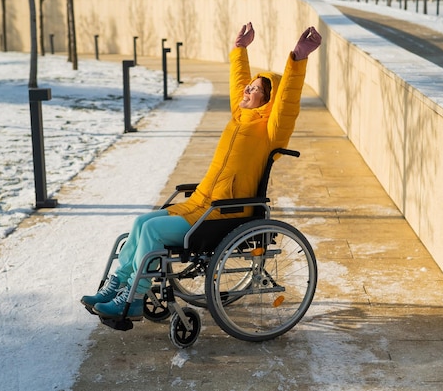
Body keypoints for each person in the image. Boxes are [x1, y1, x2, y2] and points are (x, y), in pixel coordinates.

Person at [81, 22, 322, 319]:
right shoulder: (241, 116)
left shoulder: (270, 130)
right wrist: (239, 50)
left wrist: (297, 59)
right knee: (141, 222)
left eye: (255, 89)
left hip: (224, 211)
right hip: (201, 203)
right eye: (249, 87)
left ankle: (133, 298)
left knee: (153, 231)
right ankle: (117, 285)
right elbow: (238, 83)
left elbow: (287, 102)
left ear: (267, 100)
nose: (247, 90)